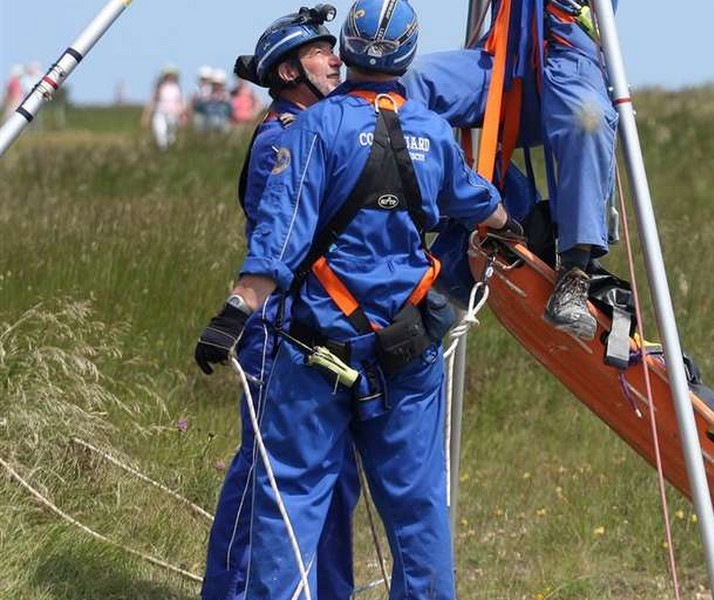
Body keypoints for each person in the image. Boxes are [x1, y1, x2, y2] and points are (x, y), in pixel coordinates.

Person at [192, 1, 518, 597]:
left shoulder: (312, 130)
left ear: (350, 50)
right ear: (408, 54)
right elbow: (485, 205)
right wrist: (508, 224)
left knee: (291, 501)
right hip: (406, 351)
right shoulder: (434, 132)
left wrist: (234, 313)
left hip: (315, 349)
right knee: (419, 511)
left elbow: (277, 242)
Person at [198, 7, 360, 600]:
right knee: (265, 476)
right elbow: (294, 243)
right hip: (278, 330)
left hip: (322, 331)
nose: (336, 58)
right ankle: (232, 592)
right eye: (321, 53)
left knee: (334, 480)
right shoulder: (282, 139)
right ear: (290, 70)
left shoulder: (321, 126)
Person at [402, 0, 619, 341]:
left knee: (587, 119)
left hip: (571, 60)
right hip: (504, 57)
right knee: (414, 84)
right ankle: (434, 218)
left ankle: (574, 271)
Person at [141, 66, 186, 149]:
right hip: (160, 113)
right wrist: (146, 116)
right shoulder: (159, 88)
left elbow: (180, 103)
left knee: (171, 135)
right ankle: (163, 150)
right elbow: (152, 102)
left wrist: (182, 115)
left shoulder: (177, 88)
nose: (170, 77)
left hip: (173, 115)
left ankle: (170, 149)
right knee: (160, 133)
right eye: (169, 75)